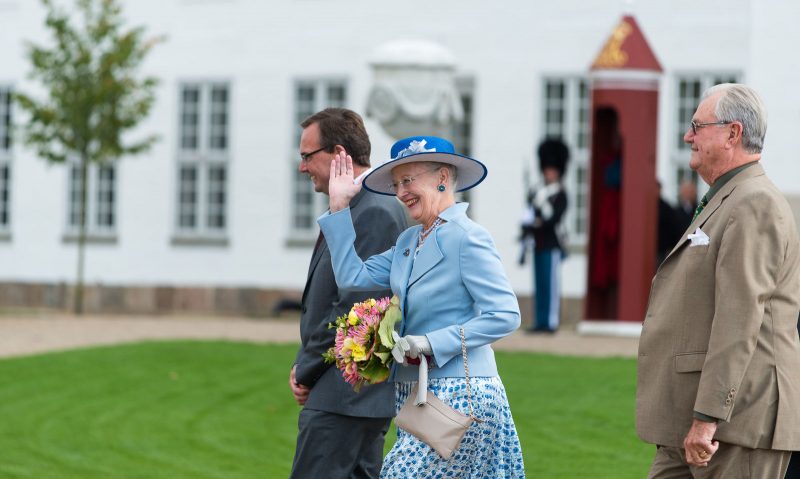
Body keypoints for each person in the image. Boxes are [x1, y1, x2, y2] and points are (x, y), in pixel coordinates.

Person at [319, 136, 525, 477]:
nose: (401, 192)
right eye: (398, 183)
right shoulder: (408, 241)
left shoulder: (468, 237)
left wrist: (432, 342)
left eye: (408, 180)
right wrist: (339, 208)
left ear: (442, 176)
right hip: (414, 392)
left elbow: (505, 314)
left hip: (462, 392)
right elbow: (352, 278)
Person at [636, 84, 800, 478]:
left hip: (735, 423)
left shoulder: (753, 202)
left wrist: (708, 416)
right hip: (694, 421)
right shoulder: (728, 197)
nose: (687, 136)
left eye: (697, 126)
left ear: (732, 134)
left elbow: (738, 319)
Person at [288, 108, 407, 479]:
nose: (302, 167)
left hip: (344, 397)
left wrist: (306, 370)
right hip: (355, 397)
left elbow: (352, 309)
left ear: (339, 153)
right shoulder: (361, 206)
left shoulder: (374, 211)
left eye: (308, 156)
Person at [520, 139, 569, 333]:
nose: (548, 173)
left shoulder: (560, 194)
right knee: (539, 284)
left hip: (553, 242)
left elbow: (554, 218)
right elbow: (530, 215)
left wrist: (540, 209)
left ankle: (551, 322)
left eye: (552, 169)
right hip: (538, 242)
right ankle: (540, 321)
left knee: (550, 285)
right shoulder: (537, 191)